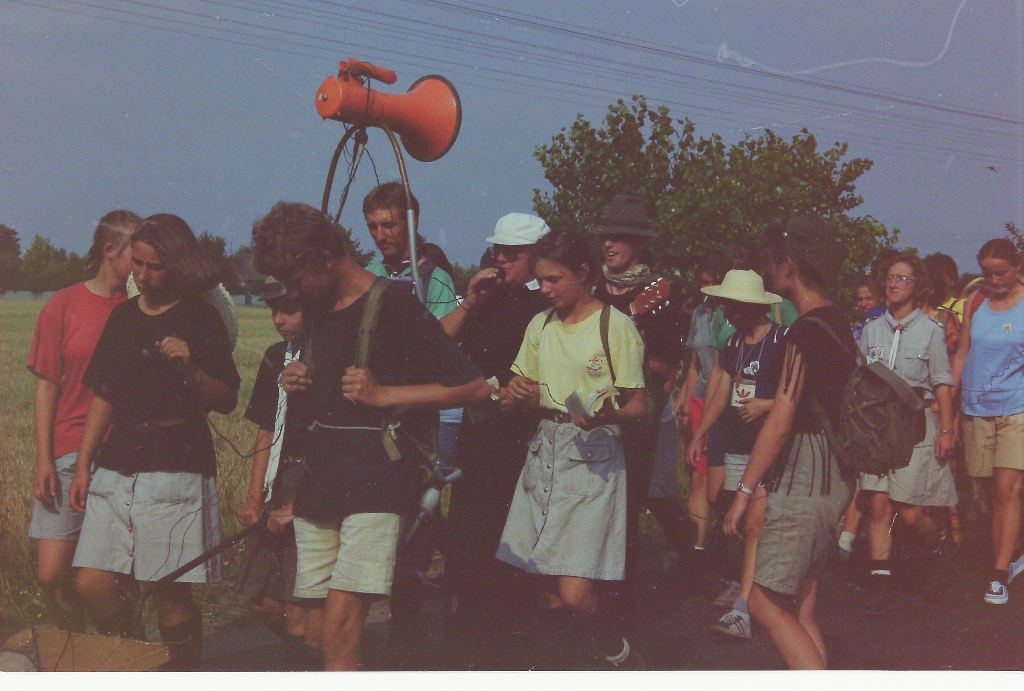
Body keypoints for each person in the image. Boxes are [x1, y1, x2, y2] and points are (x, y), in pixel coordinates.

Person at [250, 201, 489, 671]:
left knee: (339, 631)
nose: (292, 293)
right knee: (312, 631)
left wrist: (385, 395)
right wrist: (300, 379)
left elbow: (474, 386)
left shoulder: (395, 302)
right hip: (322, 478)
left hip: (378, 480)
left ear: (324, 258)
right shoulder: (317, 307)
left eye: (295, 280)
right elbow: (324, 400)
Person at [69, 214, 241, 670]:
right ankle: (139, 667)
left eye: (155, 267)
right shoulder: (124, 317)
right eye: (138, 264)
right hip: (118, 459)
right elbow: (104, 393)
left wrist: (193, 369)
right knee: (92, 583)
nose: (142, 276)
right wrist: (84, 464)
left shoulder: (200, 318)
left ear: (178, 266)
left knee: (169, 593)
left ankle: (179, 675)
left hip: (177, 464)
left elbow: (227, 399)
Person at [499, 230, 648, 669]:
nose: (545, 289)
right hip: (544, 452)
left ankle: (619, 655)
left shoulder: (614, 326)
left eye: (554, 279)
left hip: (592, 460)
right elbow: (523, 389)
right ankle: (568, 665)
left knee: (574, 595)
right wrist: (518, 391)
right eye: (540, 280)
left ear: (584, 273)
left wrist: (607, 415)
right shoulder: (541, 324)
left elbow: (638, 404)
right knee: (542, 587)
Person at [722, 216, 857, 670]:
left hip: (806, 474)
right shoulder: (838, 324)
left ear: (790, 265)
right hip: (835, 473)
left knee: (762, 602)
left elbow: (780, 422)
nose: (768, 271)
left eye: (773, 262)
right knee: (799, 606)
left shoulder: (805, 331)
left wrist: (744, 492)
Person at [441, 213, 551, 665]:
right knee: (470, 531)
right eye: (497, 251)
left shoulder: (545, 305)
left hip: (523, 434)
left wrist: (521, 395)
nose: (501, 260)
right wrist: (470, 300)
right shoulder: (487, 298)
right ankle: (473, 632)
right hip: (479, 431)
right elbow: (437, 347)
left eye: (512, 253)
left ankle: (510, 641)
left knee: (513, 538)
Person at [26, 209, 142, 632]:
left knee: (114, 577)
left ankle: (125, 648)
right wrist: (44, 459)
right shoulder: (63, 304)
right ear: (110, 250)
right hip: (67, 450)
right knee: (50, 575)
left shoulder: (141, 309)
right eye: (136, 252)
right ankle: (74, 650)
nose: (146, 261)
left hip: (122, 455)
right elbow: (47, 386)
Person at [589, 194, 690, 603]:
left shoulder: (660, 294)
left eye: (619, 237)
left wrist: (625, 354)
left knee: (626, 505)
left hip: (635, 419)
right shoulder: (591, 287)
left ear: (640, 243)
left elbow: (664, 366)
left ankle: (620, 598)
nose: (609, 244)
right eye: (606, 236)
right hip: (589, 412)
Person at [685, 270, 787, 640]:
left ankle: (743, 607)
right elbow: (723, 389)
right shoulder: (733, 343)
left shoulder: (782, 340)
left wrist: (767, 405)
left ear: (750, 306)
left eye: (731, 305)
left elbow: (800, 394)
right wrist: (701, 432)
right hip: (737, 441)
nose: (726, 311)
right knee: (729, 509)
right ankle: (756, 581)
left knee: (754, 521)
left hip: (768, 444)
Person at [857, 253, 957, 613]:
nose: (893, 284)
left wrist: (946, 430)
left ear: (918, 287)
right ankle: (880, 581)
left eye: (903, 278)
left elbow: (942, 382)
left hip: (915, 423)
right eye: (890, 277)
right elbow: (859, 379)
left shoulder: (931, 330)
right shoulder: (871, 329)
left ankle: (937, 548)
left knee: (911, 511)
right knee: (878, 503)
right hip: (877, 425)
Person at [234, 278, 315, 652]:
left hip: (313, 477)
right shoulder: (274, 356)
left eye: (289, 310)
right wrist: (254, 497)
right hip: (276, 477)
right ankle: (313, 654)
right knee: (260, 598)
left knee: (298, 605)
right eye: (274, 311)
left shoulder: (329, 358)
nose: (279, 319)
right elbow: (267, 429)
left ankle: (307, 663)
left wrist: (300, 502)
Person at [952, 238, 1024, 604]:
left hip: (1017, 410)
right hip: (976, 410)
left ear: (1017, 267)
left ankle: (998, 575)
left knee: (1006, 489)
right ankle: (1015, 550)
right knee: (989, 489)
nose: (994, 280)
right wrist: (947, 408)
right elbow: (962, 354)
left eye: (1001, 273)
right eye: (987, 273)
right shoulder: (975, 302)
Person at [674, 252, 728, 584]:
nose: (707, 289)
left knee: (715, 483)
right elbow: (696, 362)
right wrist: (684, 395)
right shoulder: (700, 312)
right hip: (699, 397)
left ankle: (721, 543)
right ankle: (696, 550)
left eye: (713, 283)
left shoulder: (728, 315)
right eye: (703, 283)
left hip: (721, 402)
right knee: (696, 475)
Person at [363, 181, 458, 319]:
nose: (380, 236)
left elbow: (443, 332)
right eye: (372, 227)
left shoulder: (436, 281)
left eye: (388, 225)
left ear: (412, 222)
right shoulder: (367, 275)